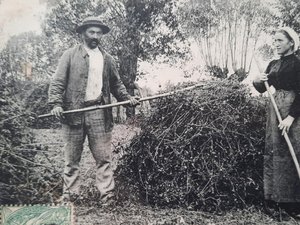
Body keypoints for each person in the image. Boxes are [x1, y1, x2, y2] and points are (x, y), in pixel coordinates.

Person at [48, 16, 139, 203]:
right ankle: (71, 196)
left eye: (98, 32)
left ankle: (107, 196)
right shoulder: (69, 55)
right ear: (83, 33)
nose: (95, 36)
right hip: (73, 113)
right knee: (71, 160)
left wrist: (127, 99)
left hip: (99, 112)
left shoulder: (107, 59)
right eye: (91, 32)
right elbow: (58, 82)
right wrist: (56, 104)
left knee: (103, 159)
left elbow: (116, 84)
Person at [253, 27, 300, 218]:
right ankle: (273, 199)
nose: (276, 44)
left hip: (293, 110)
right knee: (275, 150)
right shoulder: (273, 64)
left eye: (280, 40)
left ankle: (294, 204)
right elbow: (261, 89)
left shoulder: (298, 64)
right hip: (275, 109)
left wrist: (291, 117)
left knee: (294, 150)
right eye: (274, 41)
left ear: (291, 42)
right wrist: (258, 80)